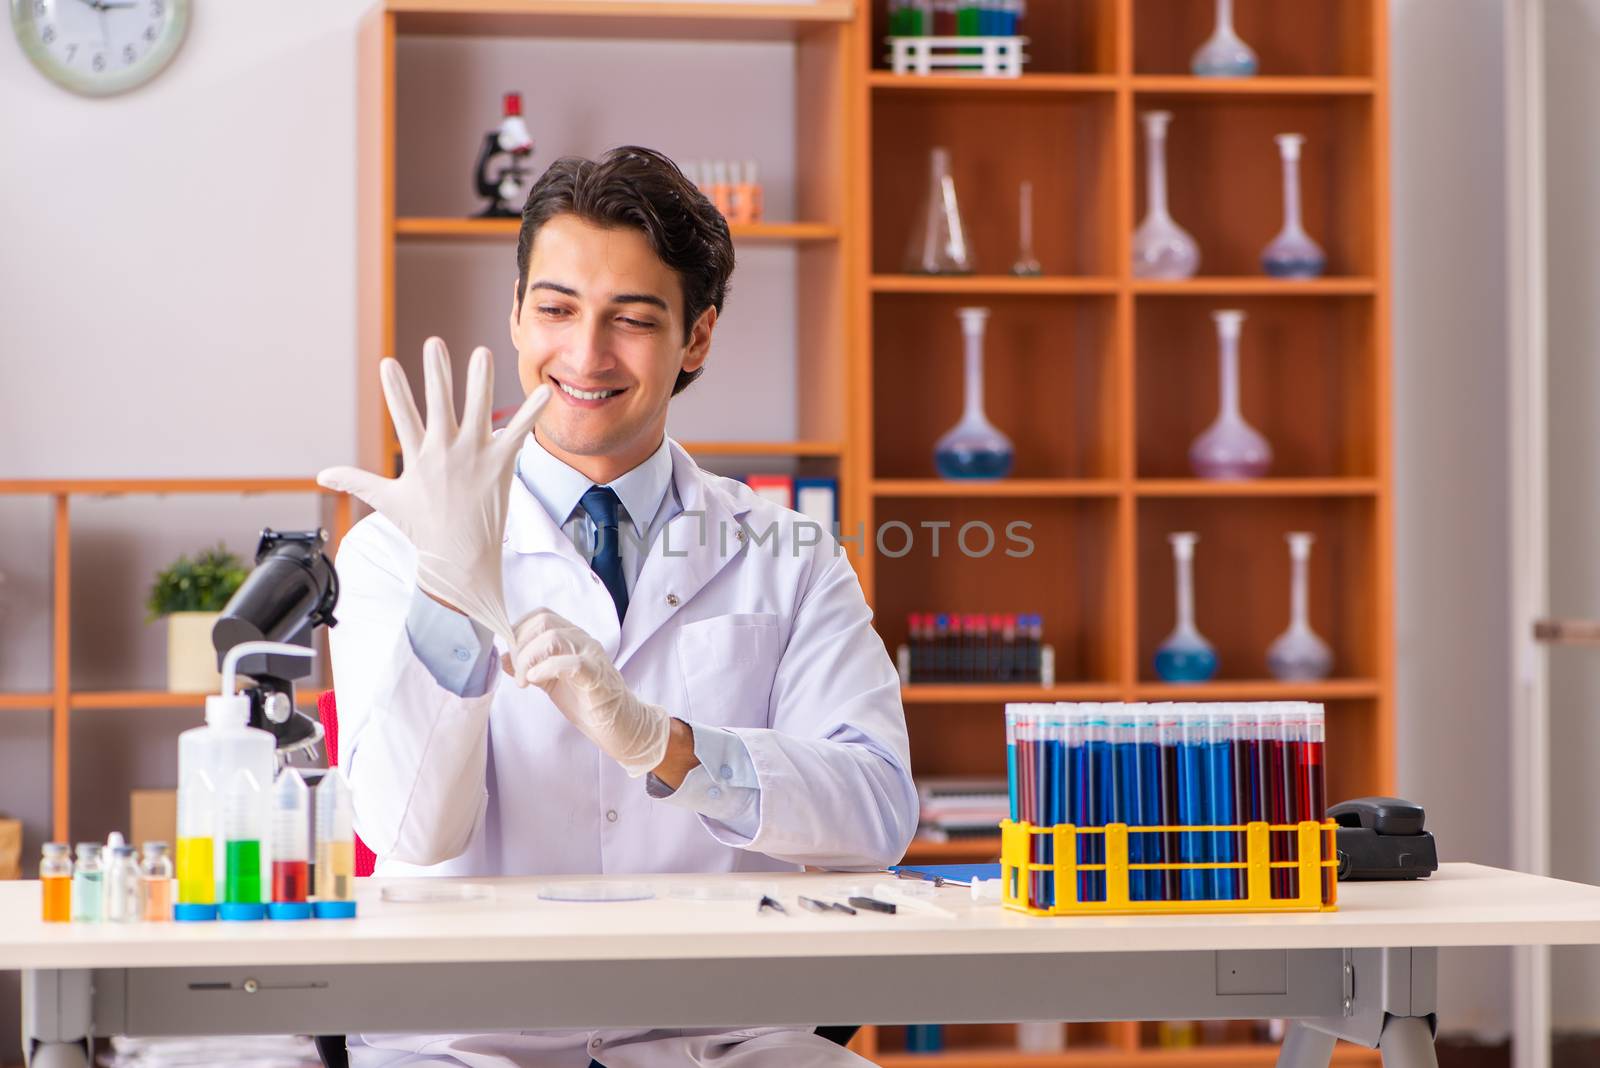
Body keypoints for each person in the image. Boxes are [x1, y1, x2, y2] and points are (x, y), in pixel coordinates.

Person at [317, 146, 918, 1068]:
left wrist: (669, 747)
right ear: (516, 316)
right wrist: (450, 588)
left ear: (698, 338)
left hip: (720, 1034)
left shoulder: (789, 552)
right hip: (467, 1039)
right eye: (556, 310)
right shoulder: (396, 547)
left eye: (631, 320)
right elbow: (407, 831)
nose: (585, 355)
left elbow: (876, 812)